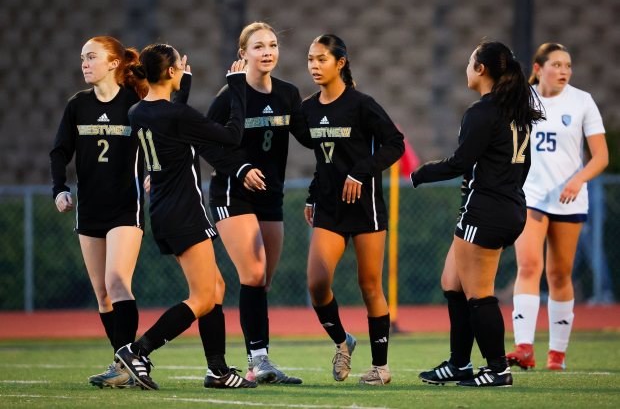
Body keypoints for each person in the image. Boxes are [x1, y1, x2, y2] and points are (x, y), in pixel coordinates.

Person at [114, 43, 255, 390]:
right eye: (178, 64)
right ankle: (137, 350)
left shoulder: (137, 112)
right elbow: (232, 136)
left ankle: (218, 371)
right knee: (204, 297)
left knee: (216, 288)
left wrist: (184, 84)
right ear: (170, 72)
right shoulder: (175, 116)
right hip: (184, 211)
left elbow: (172, 120)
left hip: (165, 210)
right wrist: (237, 85)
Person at [413, 40, 544, 387]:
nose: (467, 67)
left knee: (479, 295)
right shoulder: (514, 111)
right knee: (451, 283)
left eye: (471, 61)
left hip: (486, 211)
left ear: (481, 69)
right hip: (505, 207)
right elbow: (523, 165)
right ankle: (459, 364)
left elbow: (459, 162)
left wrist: (419, 174)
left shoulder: (482, 112)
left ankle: (498, 369)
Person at [198, 21, 311, 385]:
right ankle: (257, 359)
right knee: (254, 273)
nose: (267, 52)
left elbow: (309, 137)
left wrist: (343, 115)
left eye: (273, 45)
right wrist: (241, 167)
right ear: (242, 53)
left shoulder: (289, 94)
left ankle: (256, 363)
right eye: (259, 46)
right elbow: (205, 142)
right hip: (232, 193)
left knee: (262, 282)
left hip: (270, 196)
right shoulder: (230, 95)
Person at [302, 34, 404, 386]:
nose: (314, 66)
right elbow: (322, 158)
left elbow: (396, 144)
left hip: (365, 209)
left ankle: (380, 368)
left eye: (321, 59)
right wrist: (312, 195)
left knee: (370, 285)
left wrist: (361, 172)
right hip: (329, 209)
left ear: (340, 62)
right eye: (310, 59)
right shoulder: (308, 108)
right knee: (317, 283)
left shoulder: (362, 104)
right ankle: (342, 342)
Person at [50, 36, 150, 389]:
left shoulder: (135, 102)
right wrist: (59, 188)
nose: (85, 63)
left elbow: (156, 142)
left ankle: (133, 360)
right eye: (82, 58)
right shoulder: (78, 105)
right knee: (101, 293)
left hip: (125, 207)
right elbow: (59, 151)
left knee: (117, 282)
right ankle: (122, 362)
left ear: (113, 62)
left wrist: (153, 172)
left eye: (91, 57)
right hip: (89, 210)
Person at [507, 43, 608, 371]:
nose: (564, 71)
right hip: (530, 197)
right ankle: (524, 348)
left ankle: (557, 355)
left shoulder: (582, 101)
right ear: (537, 69)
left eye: (567, 65)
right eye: (556, 65)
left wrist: (578, 179)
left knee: (560, 273)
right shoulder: (520, 100)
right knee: (528, 267)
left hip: (569, 199)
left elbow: (601, 156)